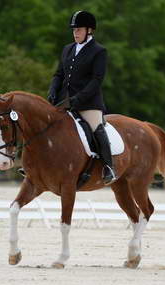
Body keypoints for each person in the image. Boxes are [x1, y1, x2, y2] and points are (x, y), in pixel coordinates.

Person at [47, 10, 117, 185]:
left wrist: (79, 98)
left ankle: (109, 167)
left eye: (79, 30)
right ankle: (39, 164)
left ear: (89, 30)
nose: (75, 33)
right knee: (45, 125)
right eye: (74, 30)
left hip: (89, 103)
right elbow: (58, 74)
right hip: (64, 101)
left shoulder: (99, 51)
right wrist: (53, 90)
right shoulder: (67, 49)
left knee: (96, 127)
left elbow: (96, 80)